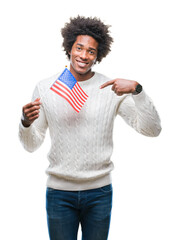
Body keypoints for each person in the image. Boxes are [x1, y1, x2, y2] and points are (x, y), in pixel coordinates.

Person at [19, 16, 161, 240]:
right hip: (59, 194)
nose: (84, 56)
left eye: (91, 51)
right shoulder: (46, 87)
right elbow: (31, 145)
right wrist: (25, 123)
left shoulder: (111, 88)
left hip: (99, 193)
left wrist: (137, 90)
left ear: (98, 55)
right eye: (79, 48)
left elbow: (153, 130)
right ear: (69, 47)